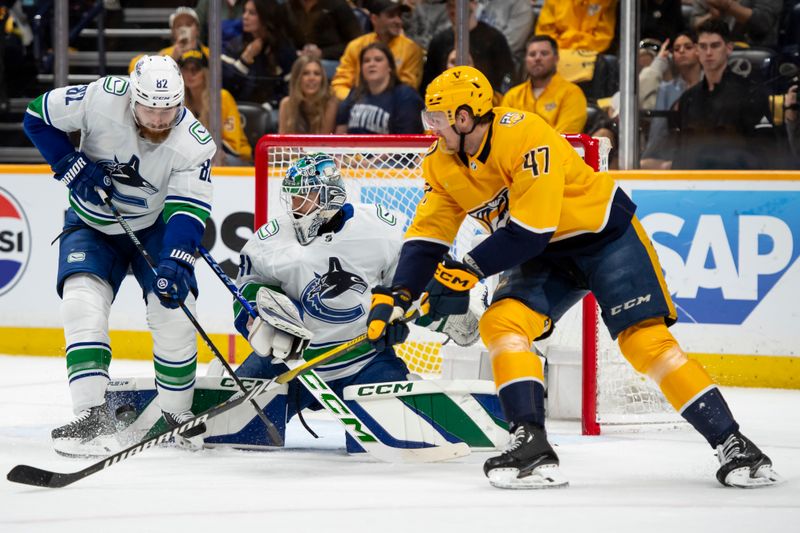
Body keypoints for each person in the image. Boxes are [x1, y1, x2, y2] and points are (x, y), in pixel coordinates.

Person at [365, 65, 782, 489]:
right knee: (500, 323)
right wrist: (397, 293)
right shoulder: (442, 164)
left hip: (603, 237)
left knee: (645, 343)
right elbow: (426, 236)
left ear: (465, 116)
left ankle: (734, 443)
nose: (431, 128)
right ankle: (530, 441)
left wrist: (470, 267)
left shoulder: (524, 132)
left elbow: (532, 228)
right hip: (544, 256)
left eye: (437, 118)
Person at [22, 55, 216, 456]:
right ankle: (92, 413)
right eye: (151, 110)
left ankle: (177, 414)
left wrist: (176, 260)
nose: (161, 120)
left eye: (170, 111)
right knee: (80, 302)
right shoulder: (100, 98)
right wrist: (70, 164)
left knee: (175, 308)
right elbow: (35, 116)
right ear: (132, 98)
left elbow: (188, 210)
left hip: (154, 226)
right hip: (92, 224)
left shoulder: (194, 143)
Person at [231, 153, 415, 442]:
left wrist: (400, 315)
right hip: (292, 362)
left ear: (330, 196)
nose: (296, 207)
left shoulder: (380, 229)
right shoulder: (272, 238)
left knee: (396, 440)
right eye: (292, 199)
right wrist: (259, 321)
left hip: (363, 360)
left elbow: (406, 285)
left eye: (304, 198)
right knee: (233, 432)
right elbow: (248, 287)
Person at [668, 19, 776, 169]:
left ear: (729, 48)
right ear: (697, 50)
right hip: (694, 185)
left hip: (738, 183)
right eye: (703, 46)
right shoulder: (689, 98)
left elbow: (766, 152)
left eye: (715, 45)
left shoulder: (751, 93)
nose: (708, 53)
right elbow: (681, 152)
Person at [331, 0, 424, 101]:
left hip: (393, 107)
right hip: (355, 104)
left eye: (399, 16)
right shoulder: (356, 46)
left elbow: (407, 89)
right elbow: (339, 83)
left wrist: (375, 102)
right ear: (374, 19)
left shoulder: (411, 49)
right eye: (391, 16)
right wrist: (356, 100)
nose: (398, 21)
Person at [421, 0, 516, 96]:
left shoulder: (494, 39)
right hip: (446, 102)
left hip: (486, 101)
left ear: (474, 4)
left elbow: (506, 79)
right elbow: (428, 82)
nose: (454, 10)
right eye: (450, 5)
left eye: (458, 5)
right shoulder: (438, 41)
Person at [501, 35, 588, 134]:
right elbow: (504, 133)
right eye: (532, 54)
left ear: (556, 58)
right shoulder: (512, 96)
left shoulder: (572, 93)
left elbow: (565, 137)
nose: (537, 58)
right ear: (525, 60)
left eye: (544, 53)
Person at [178, 49, 252, 165]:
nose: (189, 74)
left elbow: (233, 147)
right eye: (185, 69)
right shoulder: (179, 102)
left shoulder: (222, 98)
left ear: (206, 73)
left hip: (234, 158)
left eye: (195, 69)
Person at [640, 31, 702, 169]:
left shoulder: (710, 86)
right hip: (670, 156)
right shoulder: (666, 89)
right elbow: (657, 130)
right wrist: (660, 61)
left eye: (688, 47)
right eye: (676, 49)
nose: (681, 51)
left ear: (699, 50)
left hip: (703, 155)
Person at [335, 42, 423, 134]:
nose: (371, 64)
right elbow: (340, 133)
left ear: (390, 67)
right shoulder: (355, 93)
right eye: (366, 61)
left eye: (378, 60)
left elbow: (408, 142)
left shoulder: (406, 96)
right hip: (353, 148)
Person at [221, 0, 297, 107]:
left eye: (252, 13)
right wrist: (244, 60)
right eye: (245, 11)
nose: (245, 17)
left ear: (266, 16)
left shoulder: (284, 50)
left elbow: (291, 88)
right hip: (236, 109)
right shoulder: (233, 46)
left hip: (272, 111)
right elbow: (226, 87)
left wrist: (270, 106)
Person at [282, 0, 365, 80]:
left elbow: (358, 43)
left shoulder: (337, 4)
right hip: (300, 59)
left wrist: (322, 53)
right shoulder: (288, 7)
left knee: (308, 68)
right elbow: (283, 40)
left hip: (335, 61)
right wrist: (295, 53)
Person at [127, 6, 210, 75]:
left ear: (198, 30)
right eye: (178, 25)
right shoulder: (165, 55)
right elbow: (134, 69)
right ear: (173, 32)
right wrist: (171, 60)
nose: (183, 29)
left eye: (188, 24)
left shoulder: (210, 55)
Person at [279, 55, 339, 134]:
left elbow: (322, 142)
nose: (311, 78)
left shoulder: (330, 104)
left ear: (322, 79)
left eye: (317, 74)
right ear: (297, 78)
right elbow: (282, 142)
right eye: (305, 73)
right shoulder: (286, 104)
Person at [690, 0, 782, 49]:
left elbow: (763, 23)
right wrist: (712, 16)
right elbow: (694, 23)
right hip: (713, 50)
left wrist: (729, 6)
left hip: (754, 48)